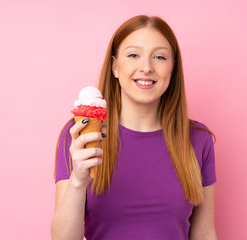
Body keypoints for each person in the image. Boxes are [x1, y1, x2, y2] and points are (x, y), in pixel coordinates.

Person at [51, 15, 217, 240]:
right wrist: (79, 179)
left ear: (172, 68)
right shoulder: (79, 134)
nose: (146, 67)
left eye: (159, 57)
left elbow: (204, 233)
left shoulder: (198, 140)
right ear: (115, 67)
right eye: (133, 55)